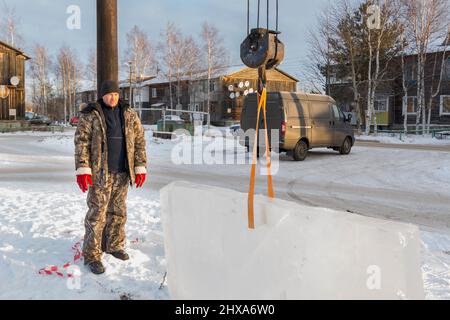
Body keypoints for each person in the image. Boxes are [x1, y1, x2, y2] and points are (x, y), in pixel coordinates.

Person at [74, 80, 148, 275]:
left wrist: (140, 167)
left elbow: (139, 140)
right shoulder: (91, 115)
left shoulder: (129, 113)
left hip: (123, 172)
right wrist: (83, 169)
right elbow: (81, 143)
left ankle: (114, 245)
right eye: (109, 94)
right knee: (97, 214)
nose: (112, 97)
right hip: (100, 174)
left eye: (115, 94)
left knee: (118, 211)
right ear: (102, 96)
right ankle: (92, 255)